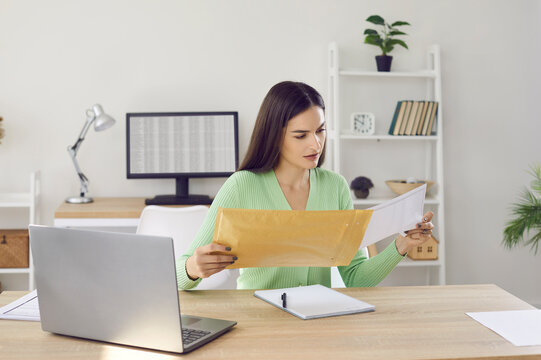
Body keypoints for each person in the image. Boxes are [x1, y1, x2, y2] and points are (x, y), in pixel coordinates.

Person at [177, 81, 434, 290]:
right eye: (301, 135)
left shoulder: (335, 187)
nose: (315, 144)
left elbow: (356, 278)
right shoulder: (242, 185)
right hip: (258, 323)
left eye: (320, 131)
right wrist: (192, 269)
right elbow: (180, 275)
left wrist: (402, 246)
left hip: (316, 321)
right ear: (274, 136)